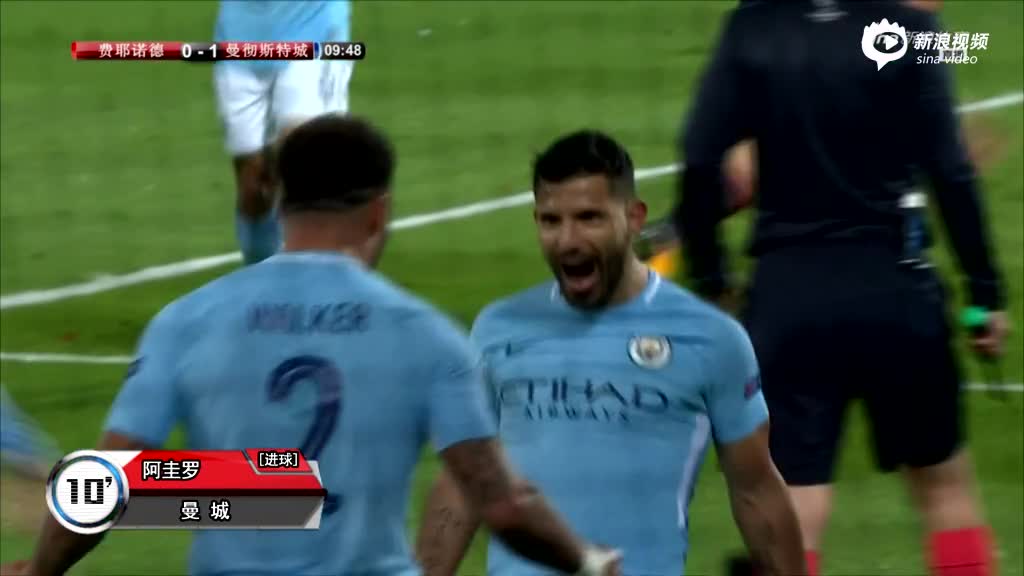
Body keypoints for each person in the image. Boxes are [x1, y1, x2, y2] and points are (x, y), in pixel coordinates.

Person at [12, 116, 622, 576]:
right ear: (379, 212)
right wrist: (587, 561)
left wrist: (40, 569)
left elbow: (107, 485)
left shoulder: (187, 320)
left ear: (280, 206)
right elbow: (504, 505)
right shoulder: (424, 333)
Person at [674, 1, 1009, 575]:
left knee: (795, 512)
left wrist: (712, 279)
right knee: (944, 492)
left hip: (788, 300)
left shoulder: (752, 28)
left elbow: (700, 157)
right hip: (896, 292)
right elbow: (951, 173)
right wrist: (984, 294)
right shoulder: (910, 30)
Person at [416, 130, 806, 576]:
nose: (568, 240)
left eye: (589, 218)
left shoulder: (711, 339)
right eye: (551, 221)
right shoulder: (498, 327)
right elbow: (464, 481)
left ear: (634, 218)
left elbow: (756, 491)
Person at [214, 0, 355, 264]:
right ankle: (262, 276)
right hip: (240, 39)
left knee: (303, 164)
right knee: (254, 188)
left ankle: (319, 274)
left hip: (314, 30)